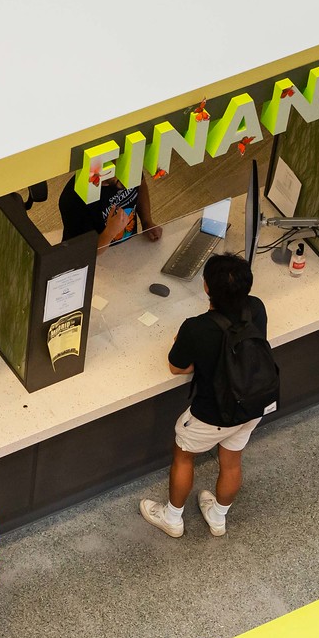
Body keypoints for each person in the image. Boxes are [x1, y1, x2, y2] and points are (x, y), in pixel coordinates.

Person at [141, 254, 266, 539]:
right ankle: (218, 517)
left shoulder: (197, 327)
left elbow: (176, 367)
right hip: (250, 405)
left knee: (184, 457)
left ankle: (172, 517)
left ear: (206, 287)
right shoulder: (257, 307)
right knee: (232, 461)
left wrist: (190, 348)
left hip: (213, 413)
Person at [58, 172, 160, 250]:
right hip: (98, 262)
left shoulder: (129, 167)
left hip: (128, 248)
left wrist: (147, 222)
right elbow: (84, 252)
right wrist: (110, 232)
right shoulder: (73, 199)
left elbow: (141, 184)